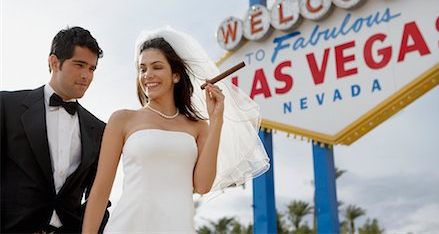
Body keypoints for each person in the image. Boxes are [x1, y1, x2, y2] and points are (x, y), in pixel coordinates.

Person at [82, 26, 269, 233]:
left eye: (157, 67)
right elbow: (100, 190)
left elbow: (203, 185)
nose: (148, 75)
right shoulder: (123, 120)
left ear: (176, 76)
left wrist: (216, 122)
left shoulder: (198, 126)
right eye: (143, 69)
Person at [1, 26, 109, 233]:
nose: (86, 75)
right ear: (54, 62)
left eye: (92, 69)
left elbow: (99, 195)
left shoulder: (99, 129)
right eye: (80, 65)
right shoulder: (7, 106)